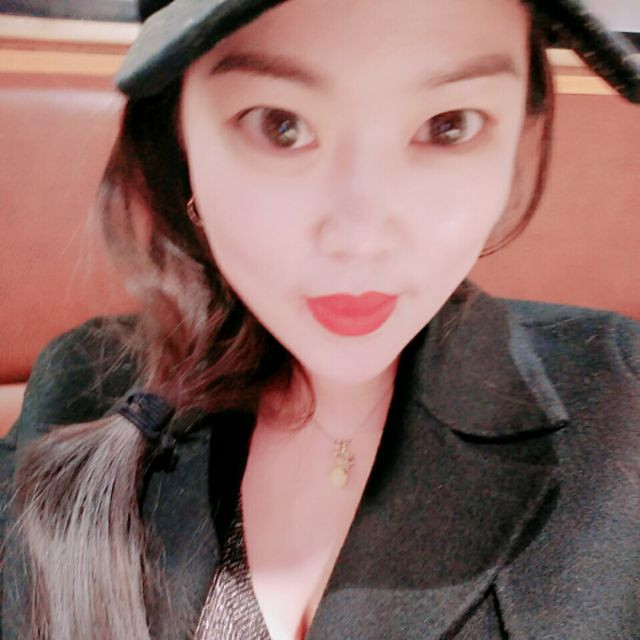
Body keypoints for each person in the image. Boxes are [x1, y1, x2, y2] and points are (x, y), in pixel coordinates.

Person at [1, 0, 638, 638]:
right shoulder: (82, 388)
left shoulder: (624, 406)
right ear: (181, 142)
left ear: (518, 139)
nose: (361, 239)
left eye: (449, 126)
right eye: (279, 125)